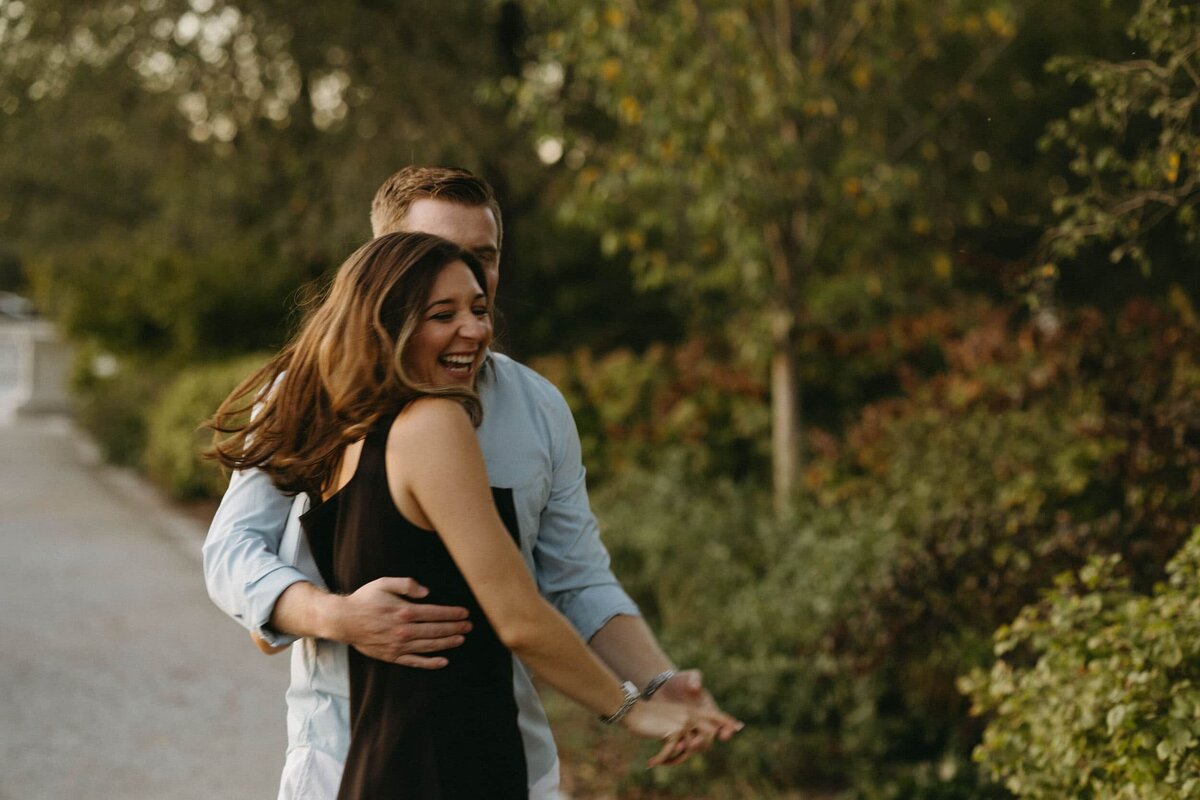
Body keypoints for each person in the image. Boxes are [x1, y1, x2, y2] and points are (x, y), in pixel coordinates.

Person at [202, 166, 741, 799]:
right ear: (385, 269)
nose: (469, 279)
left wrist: (655, 682)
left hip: (505, 754)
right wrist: (335, 614)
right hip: (343, 753)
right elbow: (232, 555)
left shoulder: (537, 408)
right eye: (440, 255)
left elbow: (575, 579)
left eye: (483, 259)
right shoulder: (308, 398)